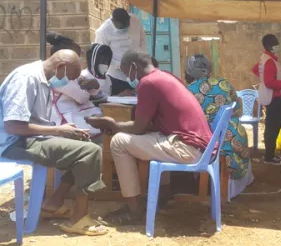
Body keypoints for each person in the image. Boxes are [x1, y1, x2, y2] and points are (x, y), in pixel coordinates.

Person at [86, 49, 212, 225]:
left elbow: (138, 127)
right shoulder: (166, 76)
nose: (127, 78)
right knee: (154, 134)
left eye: (125, 72)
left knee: (118, 142)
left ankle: (134, 210)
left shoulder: (148, 83)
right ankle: (163, 195)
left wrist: (111, 124)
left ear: (133, 67)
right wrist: (117, 126)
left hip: (188, 148)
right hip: (199, 146)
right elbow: (149, 125)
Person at [0, 49, 107, 236]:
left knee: (89, 144)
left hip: (31, 138)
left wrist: (66, 131)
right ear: (60, 67)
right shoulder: (25, 78)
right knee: (88, 152)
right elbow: (14, 126)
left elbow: (37, 122)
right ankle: (79, 219)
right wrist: (58, 130)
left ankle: (54, 202)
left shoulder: (43, 81)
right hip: (13, 143)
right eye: (71, 76)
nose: (71, 82)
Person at [185, 54, 254, 198]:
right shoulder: (223, 83)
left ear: (189, 71)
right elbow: (238, 109)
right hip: (237, 137)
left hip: (214, 143)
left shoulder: (189, 90)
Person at [50, 40, 113, 142]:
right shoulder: (59, 78)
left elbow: (87, 90)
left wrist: (93, 86)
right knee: (106, 126)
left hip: (80, 112)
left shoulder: (70, 73)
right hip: (67, 118)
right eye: (76, 57)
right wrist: (86, 88)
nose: (78, 60)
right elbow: (82, 97)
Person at [251, 34, 281, 165]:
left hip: (270, 97)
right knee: (273, 127)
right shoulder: (269, 61)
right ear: (269, 45)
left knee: (272, 126)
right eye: (276, 42)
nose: (278, 44)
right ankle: (269, 157)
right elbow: (269, 82)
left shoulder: (266, 59)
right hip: (275, 98)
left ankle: (270, 154)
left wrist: (263, 77)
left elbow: (255, 69)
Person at [94, 8, 146, 96]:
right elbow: (101, 56)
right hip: (117, 77)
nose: (125, 28)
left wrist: (142, 61)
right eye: (121, 27)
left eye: (127, 25)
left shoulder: (136, 20)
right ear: (113, 21)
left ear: (129, 18)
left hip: (138, 73)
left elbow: (142, 41)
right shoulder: (103, 32)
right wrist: (121, 65)